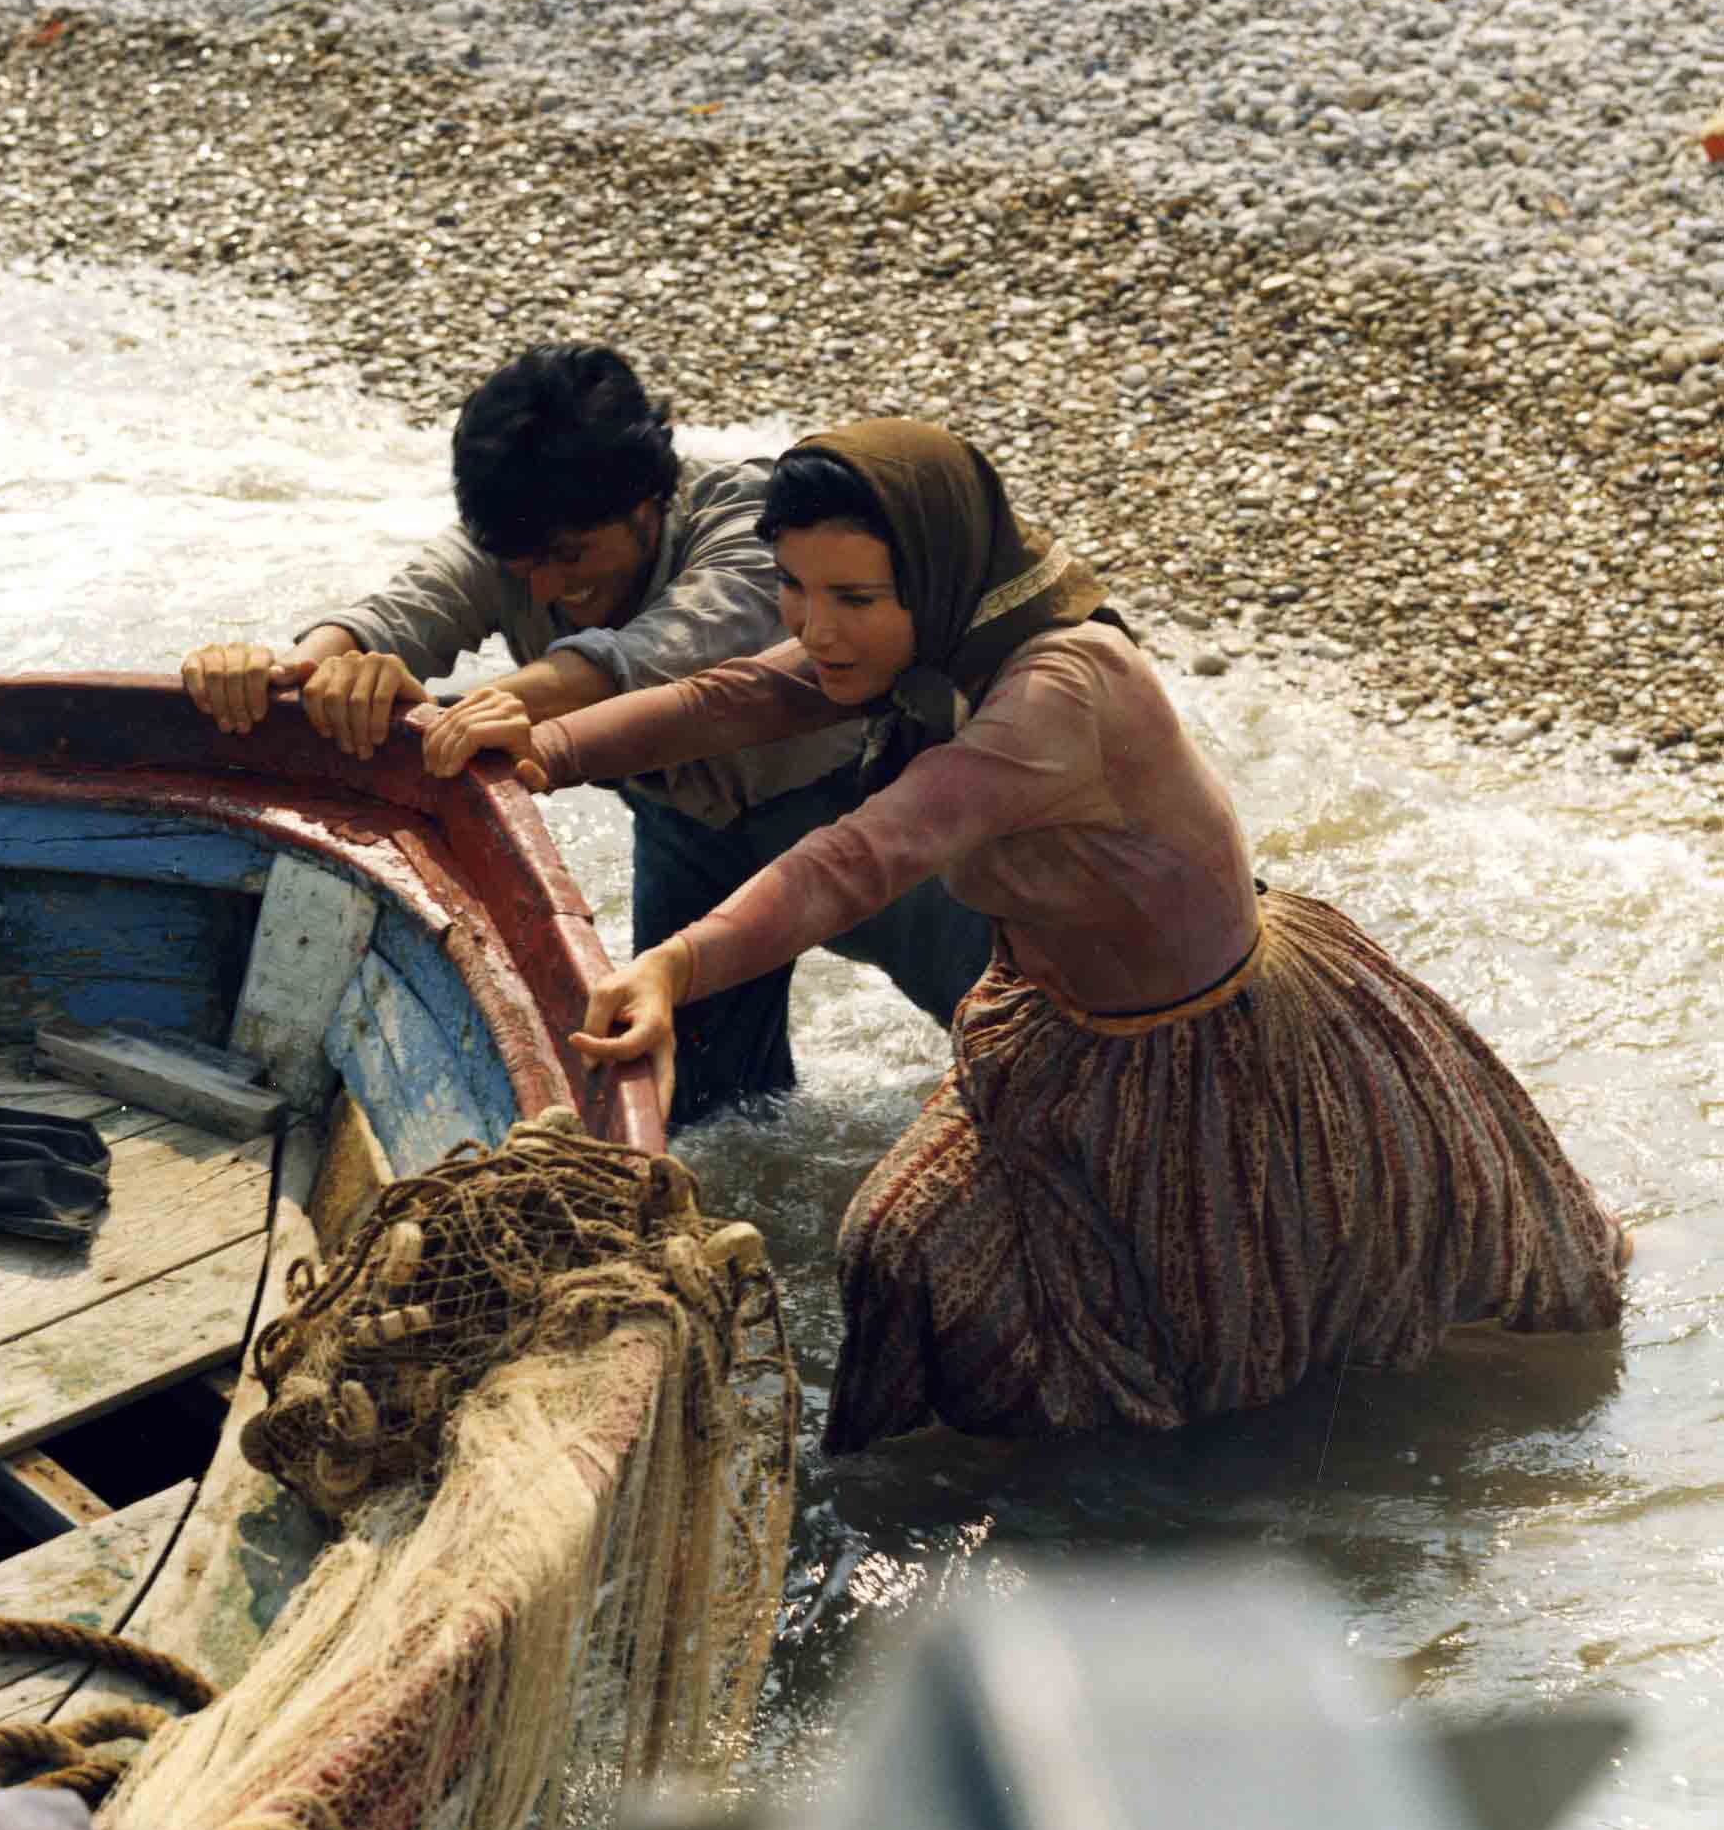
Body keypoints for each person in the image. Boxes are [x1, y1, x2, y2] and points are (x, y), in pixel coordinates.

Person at [431, 419, 1629, 1450]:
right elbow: (739, 692)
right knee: (899, 1251)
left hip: (1224, 1052)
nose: (817, 626)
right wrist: (547, 747)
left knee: (1270, 1344)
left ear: (936, 572)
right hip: (1056, 1024)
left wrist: (672, 964)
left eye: (853, 597)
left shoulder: (1060, 687)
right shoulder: (923, 633)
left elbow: (870, 851)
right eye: (794, 587)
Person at [179, 346, 992, 1130]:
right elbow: (398, 613)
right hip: (686, 832)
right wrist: (294, 672)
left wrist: (466, 710)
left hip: (864, 810)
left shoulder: (758, 528)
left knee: (1004, 1035)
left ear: (650, 503)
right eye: (519, 562)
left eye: (569, 556)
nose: (544, 587)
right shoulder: (518, 537)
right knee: (710, 1115)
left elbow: (651, 664)